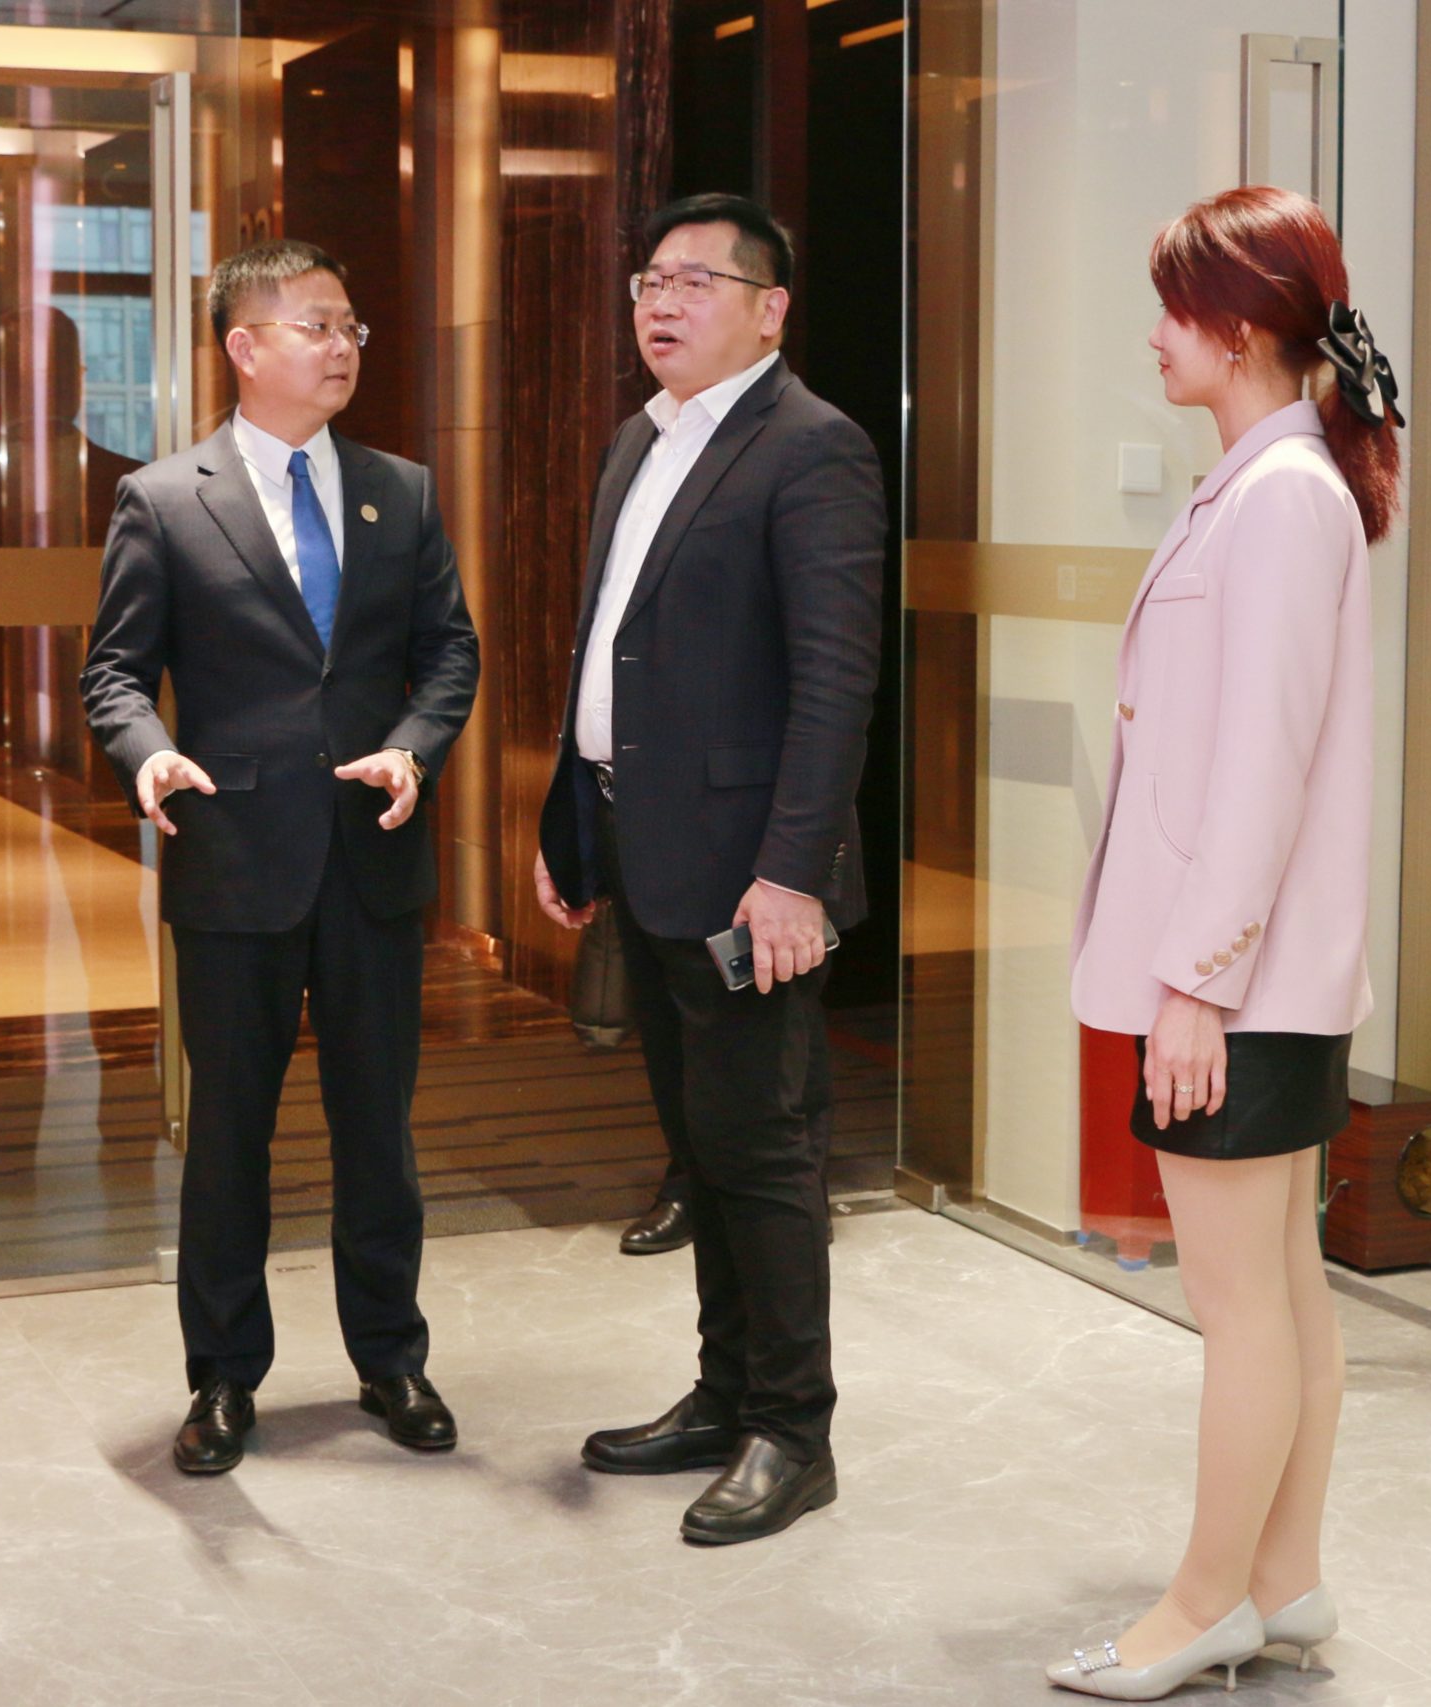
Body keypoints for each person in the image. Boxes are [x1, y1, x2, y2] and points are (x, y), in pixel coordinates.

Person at [1047, 185, 1402, 1698]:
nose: (1155, 335)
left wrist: (1195, 984)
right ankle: (1283, 1575)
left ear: (1243, 326)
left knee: (1241, 1302)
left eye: (1174, 306)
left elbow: (1262, 764)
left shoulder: (1282, 498)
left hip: (1236, 982)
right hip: (1263, 974)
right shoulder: (1269, 485)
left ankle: (1201, 1603)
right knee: (1285, 1287)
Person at [81, 240, 480, 1473]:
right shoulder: (163, 499)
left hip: (371, 857)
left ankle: (392, 1359)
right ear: (243, 347)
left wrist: (413, 750)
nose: (343, 343)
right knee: (230, 1138)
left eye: (351, 323)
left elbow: (449, 653)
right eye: (317, 324)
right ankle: (220, 1378)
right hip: (235, 860)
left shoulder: (401, 491)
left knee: (379, 1133)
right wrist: (148, 752)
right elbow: (113, 672)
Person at [534, 192, 884, 1545]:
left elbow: (834, 682)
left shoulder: (812, 446)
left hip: (750, 878)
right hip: (645, 848)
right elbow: (609, 649)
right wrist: (574, 822)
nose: (660, 303)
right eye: (648, 282)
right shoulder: (643, 438)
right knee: (699, 1144)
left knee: (762, 1149)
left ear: (769, 308)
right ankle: (724, 1391)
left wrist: (791, 873)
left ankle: (793, 1429)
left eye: (693, 281)